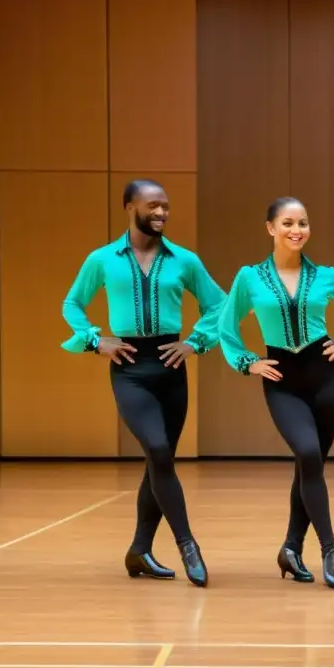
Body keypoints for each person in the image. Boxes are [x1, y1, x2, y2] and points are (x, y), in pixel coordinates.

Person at [61, 179, 226, 587]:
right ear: (129, 206)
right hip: (130, 367)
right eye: (153, 205)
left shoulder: (184, 260)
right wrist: (93, 340)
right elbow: (72, 303)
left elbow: (219, 304)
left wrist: (194, 342)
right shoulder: (102, 259)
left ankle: (139, 551)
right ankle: (188, 544)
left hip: (171, 366)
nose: (161, 213)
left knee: (160, 459)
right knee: (157, 449)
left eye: (166, 207)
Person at [217, 196, 334, 589]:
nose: (297, 231)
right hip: (282, 380)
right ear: (270, 228)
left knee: (310, 466)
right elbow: (227, 327)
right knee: (308, 454)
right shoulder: (249, 278)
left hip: (325, 377)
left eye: (303, 223)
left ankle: (291, 548)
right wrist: (247, 362)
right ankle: (329, 546)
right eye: (288, 223)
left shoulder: (326, 275)